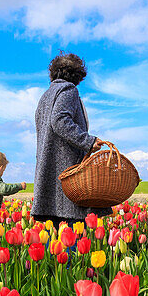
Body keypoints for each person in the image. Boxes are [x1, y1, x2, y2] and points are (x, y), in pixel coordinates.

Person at [33, 52, 104, 229]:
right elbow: (59, 121)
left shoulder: (45, 97)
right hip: (67, 178)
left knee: (55, 241)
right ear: (77, 75)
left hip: (48, 175)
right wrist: (88, 141)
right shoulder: (68, 91)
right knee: (71, 241)